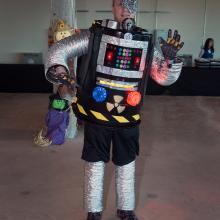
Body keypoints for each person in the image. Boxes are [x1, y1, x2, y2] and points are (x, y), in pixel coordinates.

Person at [44, 0, 184, 219]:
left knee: (126, 162)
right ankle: (93, 212)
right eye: (121, 3)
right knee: (95, 164)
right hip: (96, 116)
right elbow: (59, 49)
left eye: (131, 3)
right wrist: (60, 70)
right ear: (113, 6)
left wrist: (169, 59)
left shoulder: (145, 41)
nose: (126, 9)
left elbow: (163, 78)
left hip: (128, 117)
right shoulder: (95, 36)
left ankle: (126, 209)